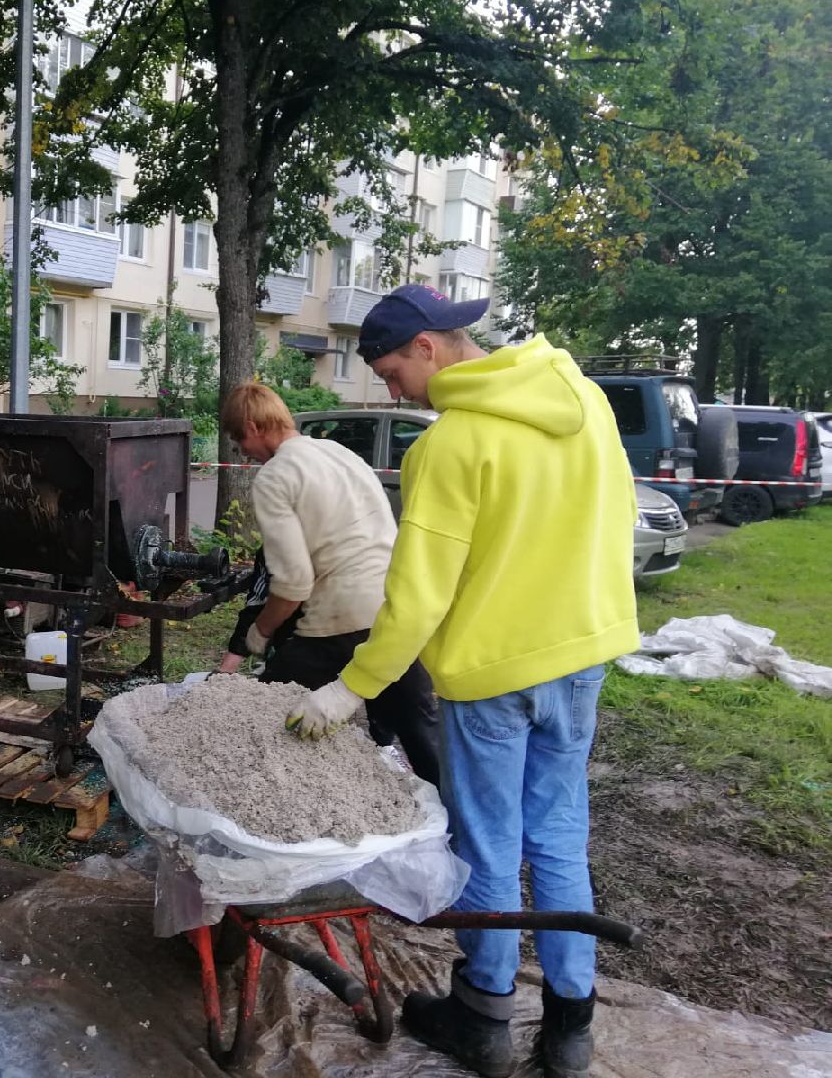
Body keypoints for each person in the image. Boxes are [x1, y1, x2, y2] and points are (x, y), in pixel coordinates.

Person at [283, 285, 639, 1078]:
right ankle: (569, 1026)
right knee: (556, 833)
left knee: (485, 839)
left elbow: (415, 599)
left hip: (495, 672)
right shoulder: (578, 397)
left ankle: (481, 1013)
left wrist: (349, 689)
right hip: (582, 655)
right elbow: (615, 516)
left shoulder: (448, 447)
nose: (389, 389)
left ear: (427, 348)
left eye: (387, 371)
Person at [220, 382, 441, 787]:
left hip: (338, 618)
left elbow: (293, 583)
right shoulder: (339, 453)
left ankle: (247, 803)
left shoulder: (276, 476)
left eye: (239, 443)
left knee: (260, 716)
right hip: (395, 609)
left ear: (252, 427)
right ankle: (460, 831)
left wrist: (260, 632)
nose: (244, 454)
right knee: (422, 733)